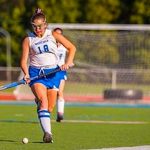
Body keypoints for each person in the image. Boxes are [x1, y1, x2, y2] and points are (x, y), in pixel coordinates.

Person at [20, 8, 76, 143]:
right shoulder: (28, 40)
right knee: (43, 100)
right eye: (35, 26)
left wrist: (68, 63)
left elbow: (72, 48)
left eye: (40, 26)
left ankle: (40, 105)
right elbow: (23, 61)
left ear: (45, 24)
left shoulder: (53, 35)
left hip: (53, 74)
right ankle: (48, 134)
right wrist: (26, 74)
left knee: (50, 107)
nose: (38, 29)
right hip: (37, 75)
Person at [53, 28, 68, 122]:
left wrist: (69, 62)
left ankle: (60, 114)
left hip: (60, 72)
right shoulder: (50, 45)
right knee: (49, 93)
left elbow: (72, 51)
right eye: (56, 34)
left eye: (59, 34)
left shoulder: (64, 46)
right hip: (49, 71)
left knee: (60, 92)